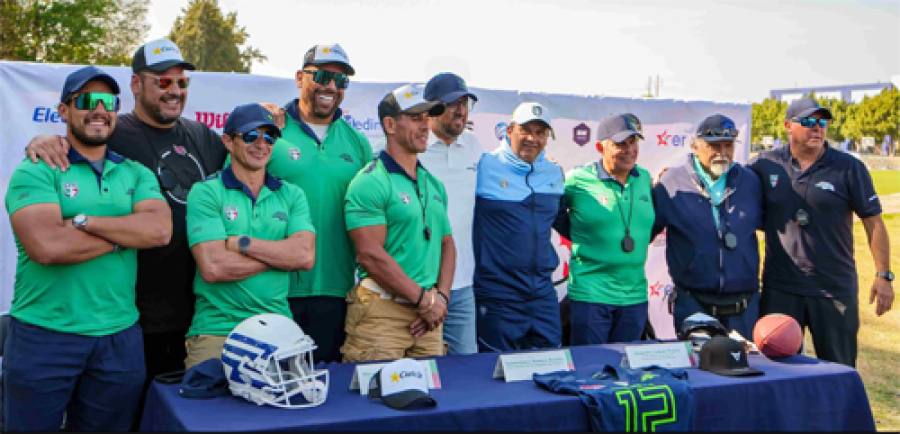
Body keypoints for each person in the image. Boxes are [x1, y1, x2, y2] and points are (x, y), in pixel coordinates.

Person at [24, 38, 227, 387]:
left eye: (181, 82)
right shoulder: (113, 132)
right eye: (163, 81)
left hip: (196, 313)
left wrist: (269, 114)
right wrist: (42, 140)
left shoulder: (202, 136)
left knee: (181, 410)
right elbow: (73, 141)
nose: (174, 90)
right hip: (131, 317)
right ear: (136, 84)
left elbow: (250, 151)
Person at [3, 66, 172, 431]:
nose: (99, 110)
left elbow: (159, 231)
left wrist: (82, 222)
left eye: (108, 102)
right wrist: (127, 234)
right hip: (44, 335)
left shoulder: (136, 173)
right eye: (86, 101)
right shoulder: (36, 169)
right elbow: (47, 246)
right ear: (64, 111)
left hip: (119, 337)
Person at [750, 98, 894, 367]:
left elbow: (873, 221)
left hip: (833, 289)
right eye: (808, 122)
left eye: (822, 122)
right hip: (780, 288)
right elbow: (729, 189)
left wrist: (883, 275)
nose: (817, 128)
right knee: (776, 369)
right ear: (788, 126)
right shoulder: (765, 164)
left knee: (839, 368)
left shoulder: (848, 167)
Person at [184, 103, 315, 368]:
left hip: (279, 327)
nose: (261, 144)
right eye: (250, 136)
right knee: (204, 396)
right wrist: (280, 258)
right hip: (218, 329)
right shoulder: (206, 191)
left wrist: (243, 243)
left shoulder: (292, 194)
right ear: (228, 142)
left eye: (269, 137)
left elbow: (304, 257)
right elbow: (214, 268)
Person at [266, 44, 374, 363]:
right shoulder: (269, 132)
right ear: (300, 78)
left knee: (325, 385)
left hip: (336, 290)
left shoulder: (358, 143)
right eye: (323, 76)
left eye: (341, 81)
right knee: (273, 384)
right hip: (275, 289)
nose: (331, 86)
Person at [341, 84, 454, 362]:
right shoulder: (369, 182)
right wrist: (423, 300)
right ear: (390, 125)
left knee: (433, 390)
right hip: (382, 313)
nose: (425, 126)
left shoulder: (433, 183)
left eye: (427, 118)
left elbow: (447, 244)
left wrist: (440, 299)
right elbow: (370, 255)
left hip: (428, 317)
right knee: (376, 390)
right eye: (415, 118)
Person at [652, 114, 763, 339]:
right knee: (699, 361)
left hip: (744, 307)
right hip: (693, 304)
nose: (722, 153)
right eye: (714, 146)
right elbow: (644, 232)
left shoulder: (751, 181)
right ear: (695, 146)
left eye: (728, 145)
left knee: (745, 361)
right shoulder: (671, 182)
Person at [473, 102, 568, 352]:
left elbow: (564, 220)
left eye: (540, 133)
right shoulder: (483, 165)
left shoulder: (554, 172)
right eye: (525, 130)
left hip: (543, 294)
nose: (532, 139)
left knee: (551, 365)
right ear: (509, 131)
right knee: (496, 370)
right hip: (498, 294)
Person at [563, 114, 654, 345]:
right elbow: (551, 214)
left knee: (627, 365)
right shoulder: (577, 180)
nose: (629, 150)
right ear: (600, 147)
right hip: (591, 295)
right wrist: (583, 236)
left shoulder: (644, 178)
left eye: (633, 142)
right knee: (591, 365)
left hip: (635, 296)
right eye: (620, 144)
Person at [416, 72, 484, 355]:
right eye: (453, 103)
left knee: (467, 368)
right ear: (431, 108)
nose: (461, 110)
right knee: (421, 369)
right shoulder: (412, 145)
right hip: (420, 286)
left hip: (462, 284)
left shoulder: (474, 146)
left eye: (465, 103)